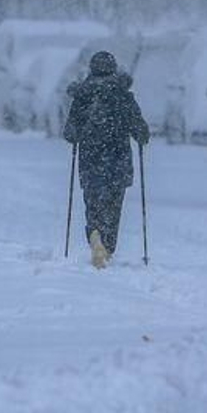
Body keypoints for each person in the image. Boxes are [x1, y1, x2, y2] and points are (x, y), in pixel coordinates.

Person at [63, 51, 150, 269]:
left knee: (93, 203)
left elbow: (70, 132)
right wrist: (139, 135)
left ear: (91, 70)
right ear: (114, 69)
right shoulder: (122, 95)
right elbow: (141, 131)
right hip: (118, 161)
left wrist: (80, 134)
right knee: (113, 205)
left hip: (91, 160)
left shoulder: (82, 96)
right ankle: (108, 246)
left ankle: (95, 234)